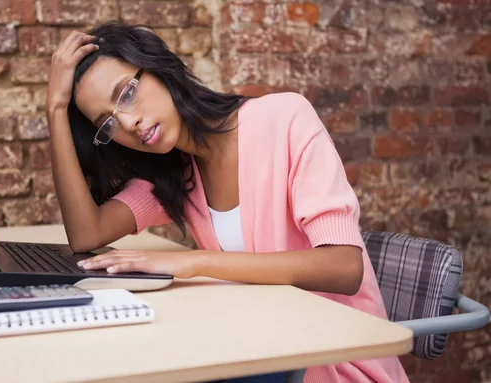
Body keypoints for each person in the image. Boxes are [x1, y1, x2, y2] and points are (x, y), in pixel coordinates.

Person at [46, 20, 409, 383]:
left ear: (158, 68)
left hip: (331, 363)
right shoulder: (174, 175)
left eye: (126, 93)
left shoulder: (283, 119)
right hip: (259, 350)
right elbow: (86, 234)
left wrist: (194, 262)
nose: (127, 121)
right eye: (106, 124)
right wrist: (55, 109)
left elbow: (344, 267)